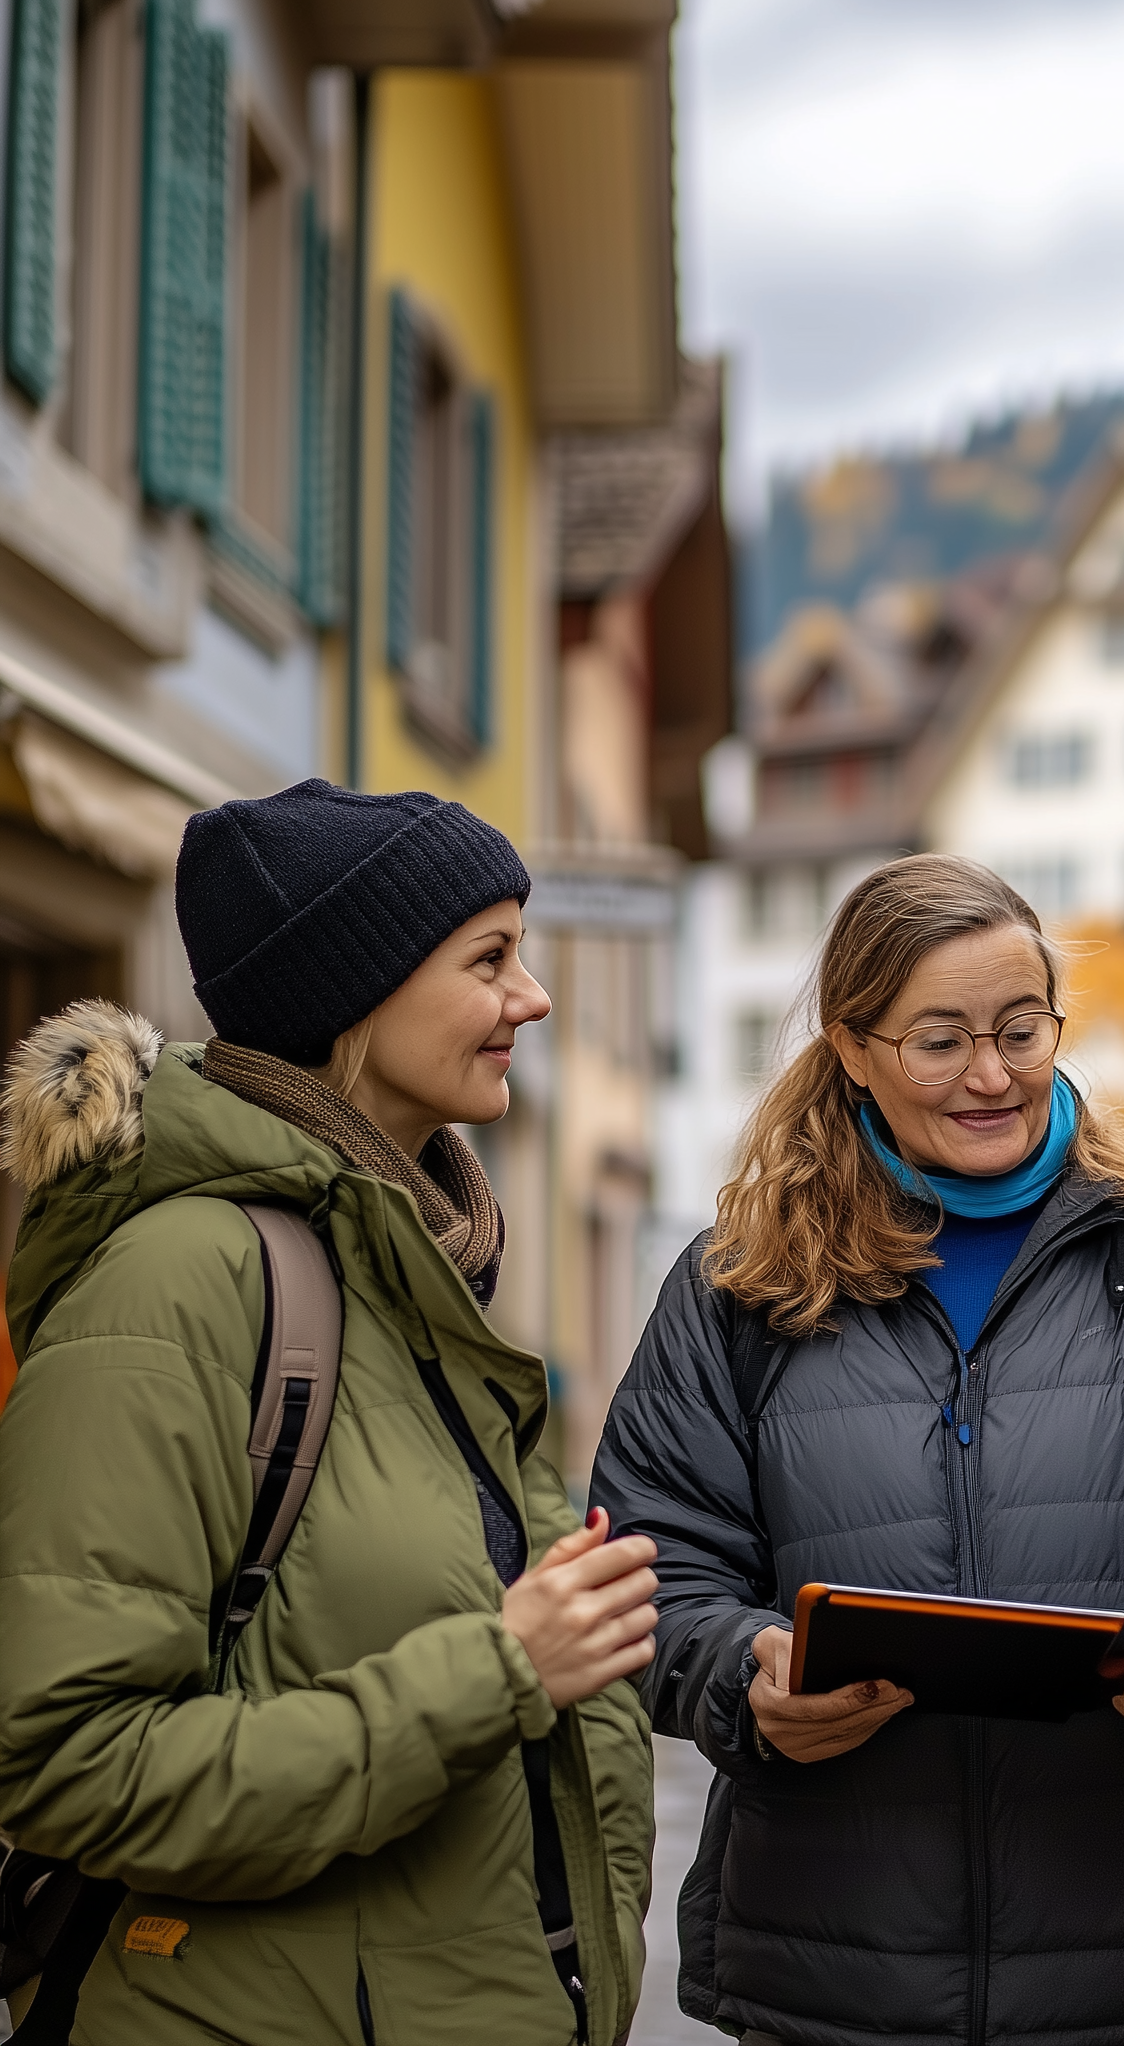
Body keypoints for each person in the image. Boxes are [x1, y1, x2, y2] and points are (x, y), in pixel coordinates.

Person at [591, 852, 1124, 2046]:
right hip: (840, 1980)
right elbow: (648, 1580)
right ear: (853, 1047)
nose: (991, 1074)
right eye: (939, 1038)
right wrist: (746, 1671)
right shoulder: (738, 1288)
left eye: (1021, 1028)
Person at [0, 780, 659, 2046]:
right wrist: (499, 1667)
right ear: (359, 989)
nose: (534, 998)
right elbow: (69, 1762)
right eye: (490, 958)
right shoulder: (182, 1278)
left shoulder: (415, 1266)